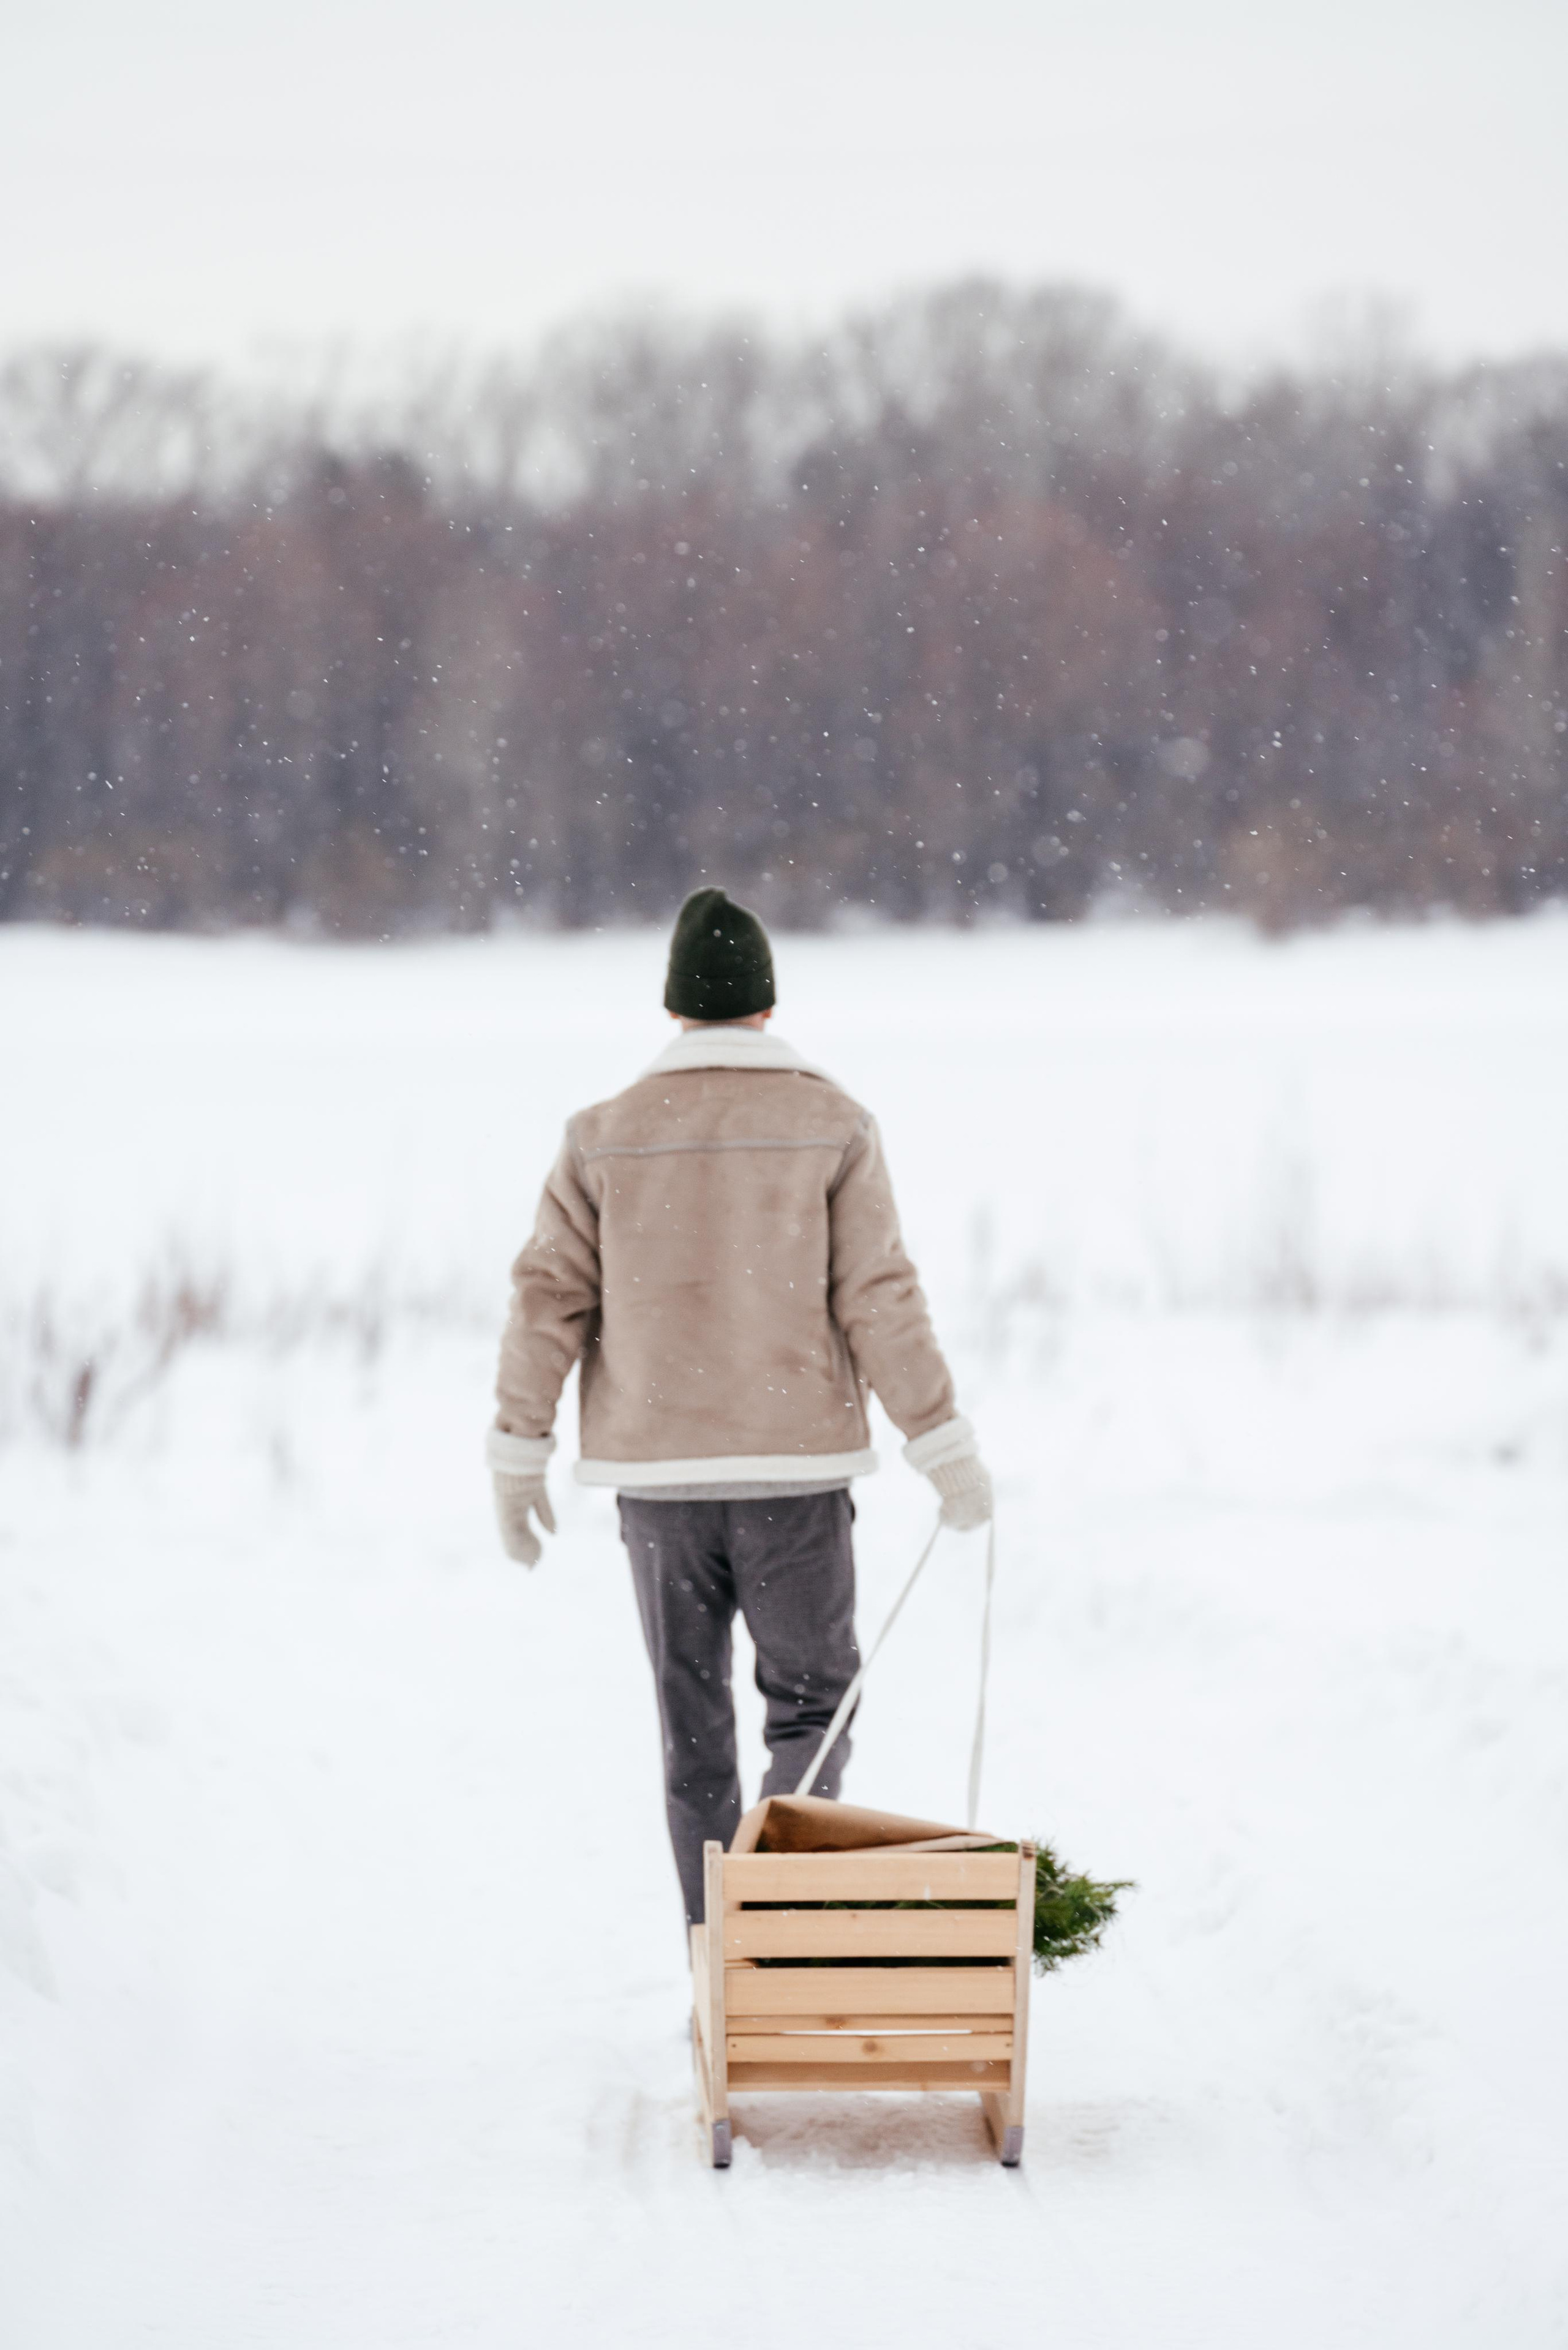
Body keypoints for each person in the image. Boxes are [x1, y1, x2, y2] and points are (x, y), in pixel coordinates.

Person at [486, 886, 992, 1924]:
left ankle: (715, 1962)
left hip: (658, 1490)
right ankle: (773, 1934)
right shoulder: (832, 1123)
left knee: (693, 1728)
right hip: (793, 1482)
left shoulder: (601, 1135)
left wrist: (517, 1448)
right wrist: (938, 1437)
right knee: (812, 1706)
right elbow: (879, 1293)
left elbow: (548, 1297)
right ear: (766, 1005)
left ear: (675, 1011)